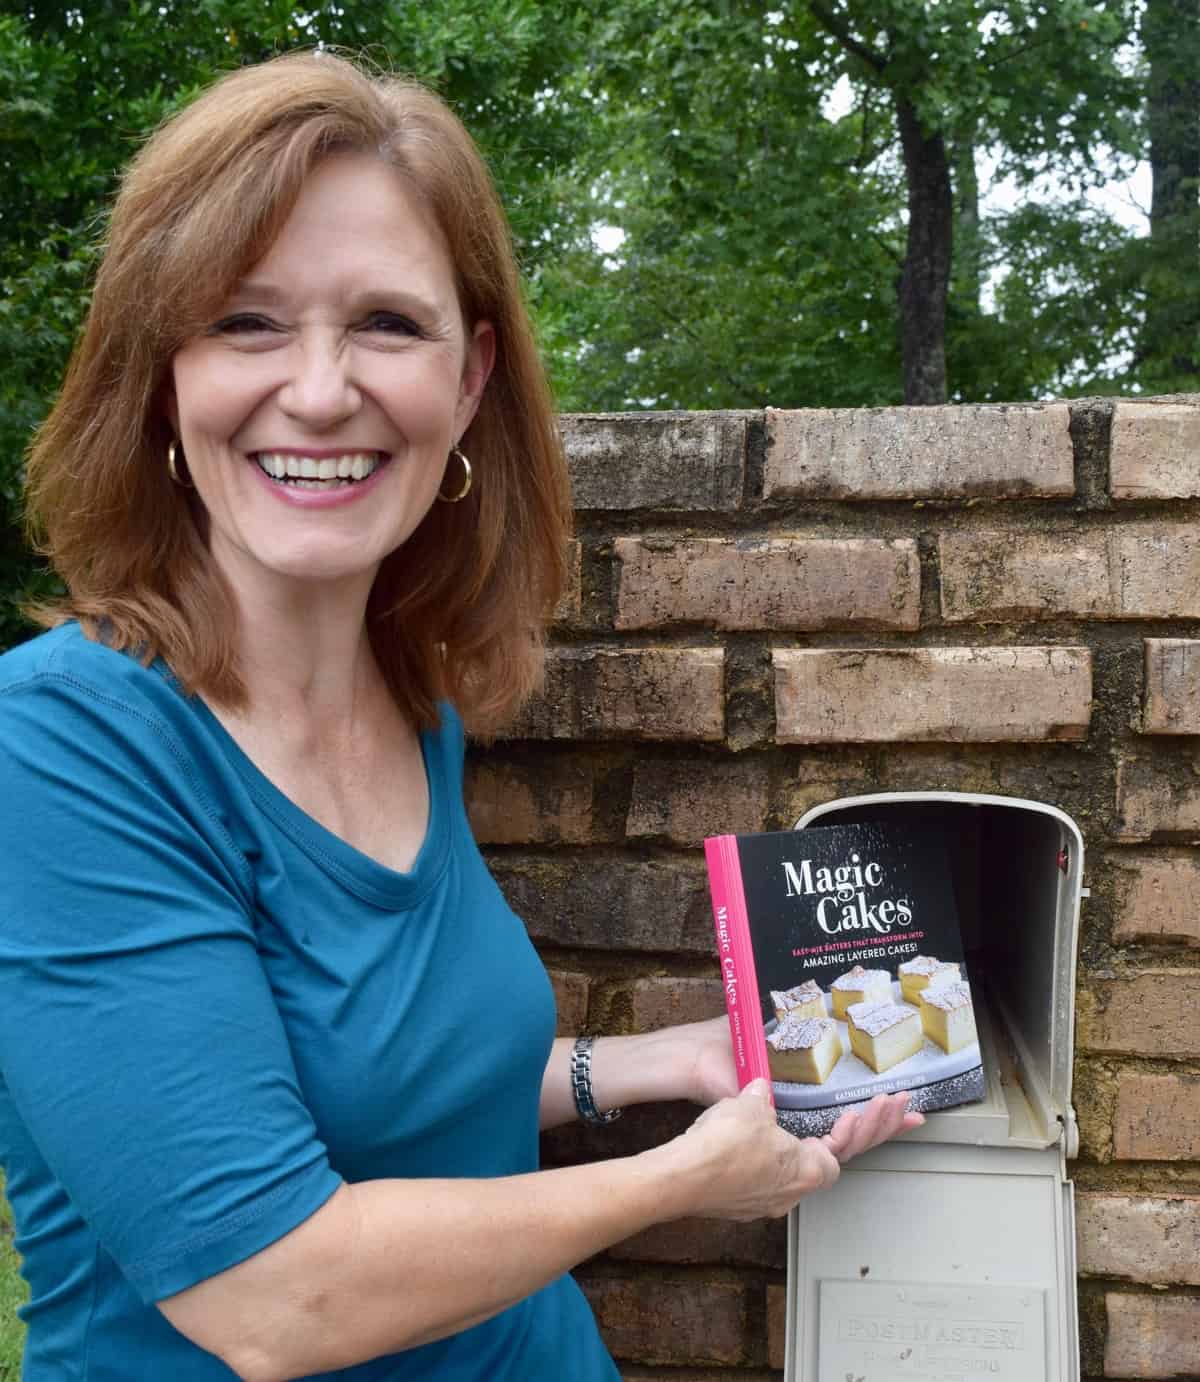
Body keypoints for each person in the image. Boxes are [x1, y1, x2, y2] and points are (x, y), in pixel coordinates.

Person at [0, 51, 923, 1381]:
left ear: (470, 375)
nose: (319, 390)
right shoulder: (59, 753)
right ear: (162, 376)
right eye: (247, 323)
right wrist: (674, 1178)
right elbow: (273, 1294)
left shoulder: (409, 695)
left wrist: (645, 1064)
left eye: (387, 322)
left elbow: (367, 1077)